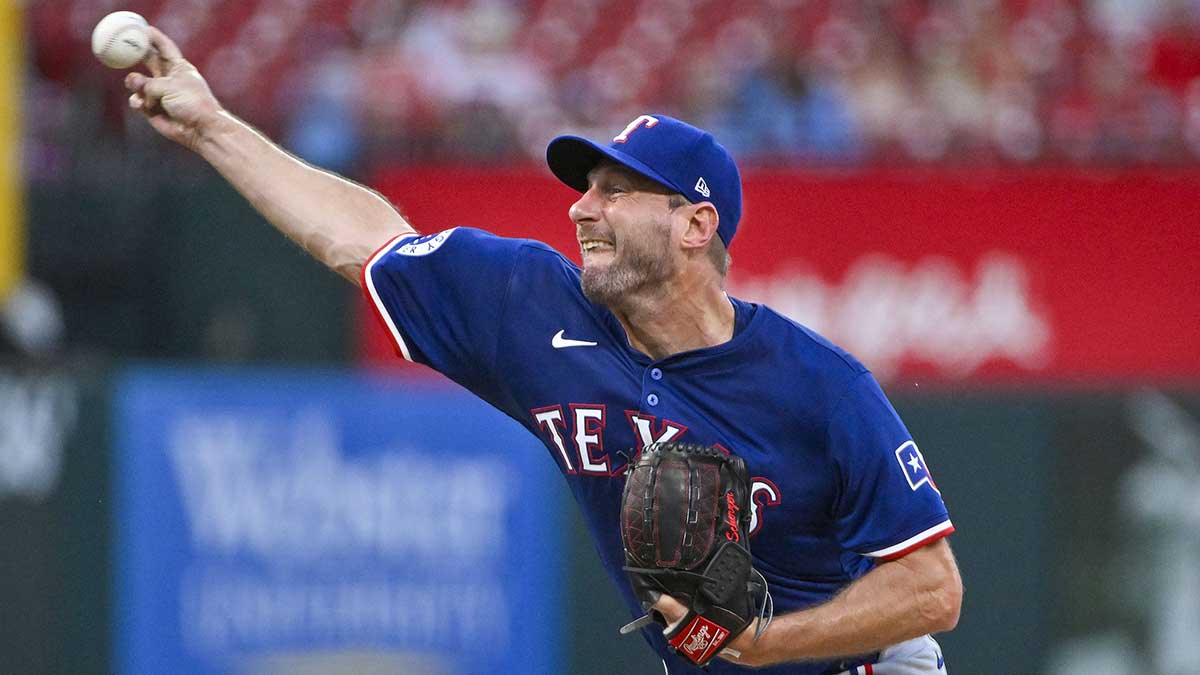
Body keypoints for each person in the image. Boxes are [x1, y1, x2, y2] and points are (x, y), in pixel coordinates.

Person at [124, 27, 962, 675]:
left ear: (695, 224)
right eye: (584, 188)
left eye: (615, 191)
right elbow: (362, 239)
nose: (581, 210)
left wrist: (765, 642)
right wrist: (210, 126)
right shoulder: (531, 302)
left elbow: (934, 588)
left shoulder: (817, 382)